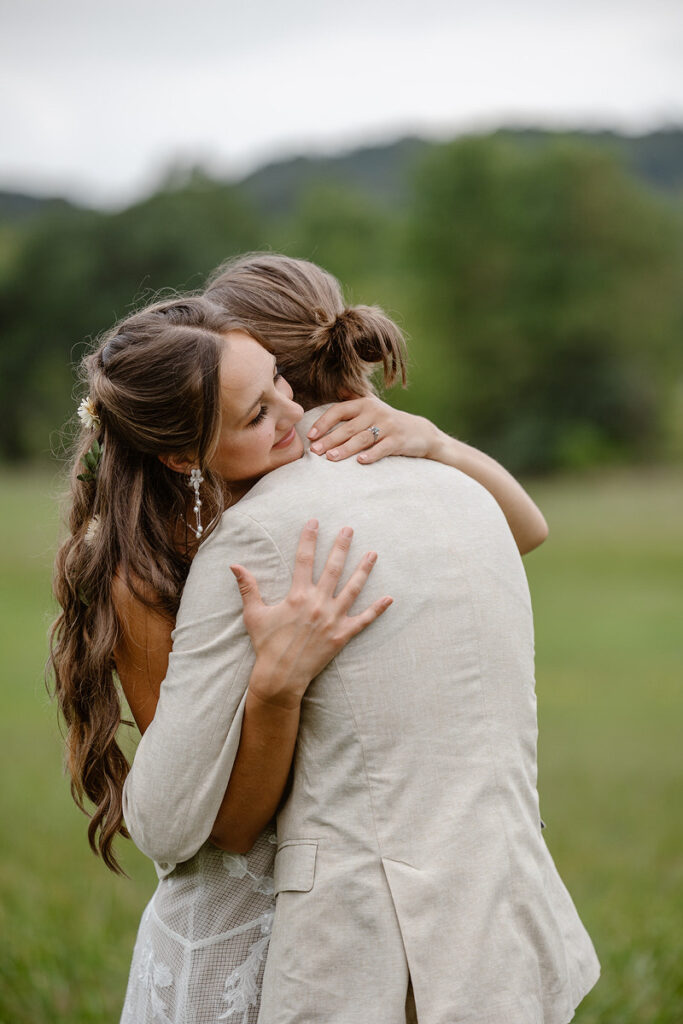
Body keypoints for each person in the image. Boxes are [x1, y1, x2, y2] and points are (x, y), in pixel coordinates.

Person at [49, 279, 547, 1024]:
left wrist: (433, 442)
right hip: (241, 912)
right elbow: (220, 827)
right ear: (187, 454)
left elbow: (522, 531)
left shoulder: (298, 501)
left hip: (340, 898)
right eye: (257, 414)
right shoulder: (148, 572)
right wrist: (276, 685)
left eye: (281, 384)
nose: (296, 419)